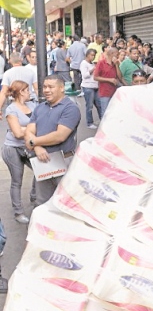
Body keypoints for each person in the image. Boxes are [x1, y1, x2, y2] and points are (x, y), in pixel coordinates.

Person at [24, 75, 81, 205]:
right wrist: (37, 148)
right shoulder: (40, 107)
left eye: (51, 87)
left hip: (63, 161)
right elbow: (29, 131)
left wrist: (33, 143)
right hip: (42, 162)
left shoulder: (70, 108)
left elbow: (60, 136)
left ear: (62, 88)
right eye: (44, 87)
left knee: (65, 202)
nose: (46, 90)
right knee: (42, 202)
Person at [2, 81, 37, 224]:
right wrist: (32, 129)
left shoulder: (33, 106)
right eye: (28, 90)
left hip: (28, 146)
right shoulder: (11, 109)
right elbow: (17, 133)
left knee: (40, 172)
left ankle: (35, 197)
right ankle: (18, 212)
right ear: (21, 92)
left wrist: (25, 129)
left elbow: (42, 124)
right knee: (17, 181)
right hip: (13, 148)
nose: (30, 92)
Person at [93, 47, 124, 113]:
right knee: (105, 112)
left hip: (114, 92)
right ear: (112, 54)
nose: (118, 56)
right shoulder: (101, 63)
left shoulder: (115, 63)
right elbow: (95, 77)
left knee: (113, 112)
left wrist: (116, 65)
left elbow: (119, 77)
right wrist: (109, 80)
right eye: (117, 54)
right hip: (104, 93)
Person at [80, 48, 101, 129]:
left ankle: (102, 119)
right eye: (92, 55)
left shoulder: (92, 63)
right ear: (87, 55)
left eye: (94, 55)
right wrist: (93, 69)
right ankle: (89, 122)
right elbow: (85, 75)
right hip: (88, 87)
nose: (93, 57)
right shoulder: (84, 63)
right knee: (89, 106)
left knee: (99, 105)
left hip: (95, 86)